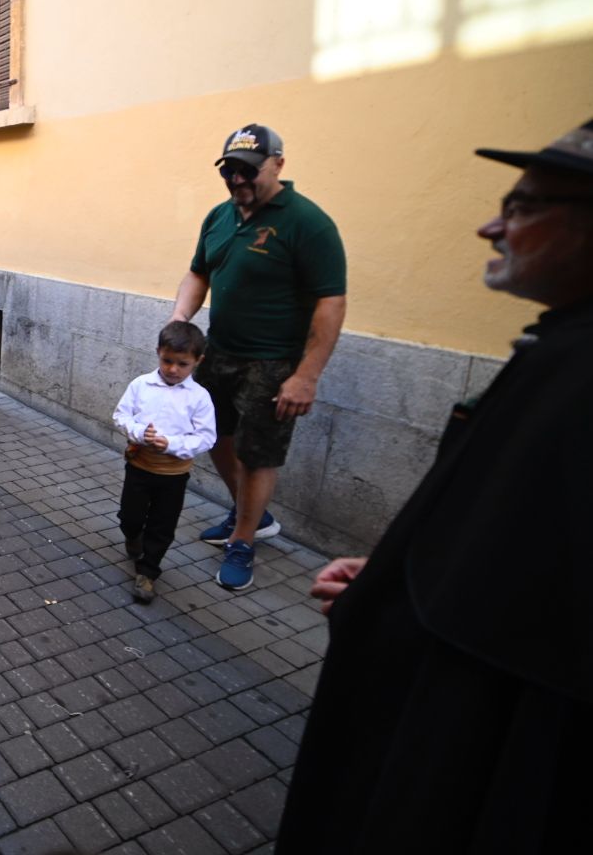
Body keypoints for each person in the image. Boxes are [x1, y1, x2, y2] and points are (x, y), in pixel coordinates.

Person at [275, 117, 593, 852]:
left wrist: (399, 611)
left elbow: (540, 615)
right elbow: (500, 534)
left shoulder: (576, 373)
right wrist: (394, 578)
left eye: (522, 206)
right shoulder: (560, 346)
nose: (491, 226)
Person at [168, 124, 346, 591]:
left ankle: (243, 540)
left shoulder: (308, 223)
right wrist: (181, 319)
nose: (238, 180)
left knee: (258, 454)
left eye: (249, 170)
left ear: (278, 166)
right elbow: (197, 273)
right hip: (219, 353)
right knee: (215, 436)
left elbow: (331, 302)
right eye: (230, 170)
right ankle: (252, 514)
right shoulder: (219, 216)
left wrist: (306, 375)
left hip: (273, 363)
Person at [110, 321, 217, 604]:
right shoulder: (141, 385)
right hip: (139, 467)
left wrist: (173, 444)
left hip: (174, 476)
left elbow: (206, 438)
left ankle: (148, 572)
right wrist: (139, 432)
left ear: (197, 361)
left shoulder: (200, 398)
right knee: (130, 516)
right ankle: (132, 536)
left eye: (182, 364)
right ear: (158, 352)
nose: (173, 369)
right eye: (167, 361)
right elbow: (121, 416)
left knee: (162, 525)